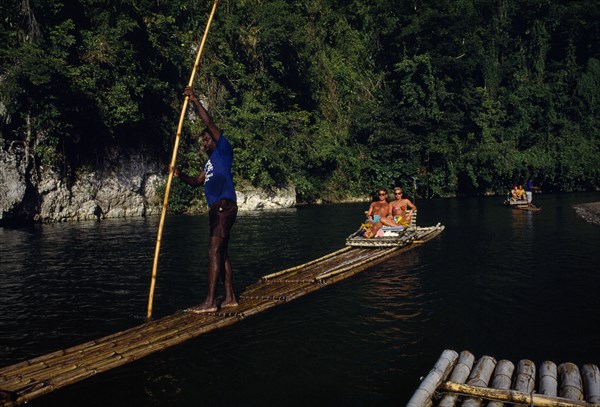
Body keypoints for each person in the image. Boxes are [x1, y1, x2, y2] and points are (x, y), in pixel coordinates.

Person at [172, 86, 238, 313]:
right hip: (217, 209)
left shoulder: (224, 149)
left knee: (213, 252)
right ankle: (230, 298)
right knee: (222, 252)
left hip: (223, 206)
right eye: (203, 141)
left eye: (207, 139)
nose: (205, 143)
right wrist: (179, 176)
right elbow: (197, 182)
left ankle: (210, 302)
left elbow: (208, 121)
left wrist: (194, 100)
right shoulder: (209, 163)